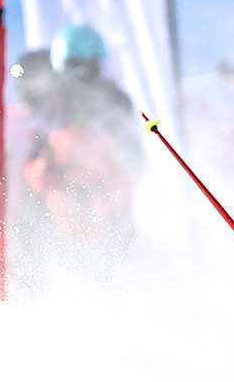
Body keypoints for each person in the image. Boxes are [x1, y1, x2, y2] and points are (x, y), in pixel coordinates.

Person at [16, 24, 142, 245]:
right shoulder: (49, 104)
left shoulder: (114, 103)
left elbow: (132, 163)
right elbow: (35, 172)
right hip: (59, 221)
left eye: (90, 69)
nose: (83, 78)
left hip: (107, 220)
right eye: (76, 68)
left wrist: (109, 196)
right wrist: (46, 165)